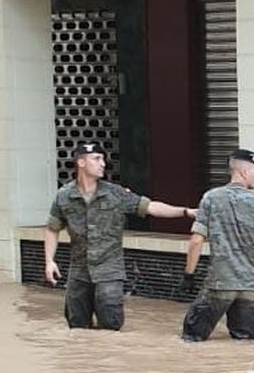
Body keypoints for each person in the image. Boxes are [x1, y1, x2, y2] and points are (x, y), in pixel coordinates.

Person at [44, 141, 196, 330]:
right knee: (77, 327)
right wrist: (49, 261)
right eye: (96, 159)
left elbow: (150, 207)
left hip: (109, 270)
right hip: (78, 272)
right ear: (81, 162)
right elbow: (52, 228)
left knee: (111, 325)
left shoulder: (115, 193)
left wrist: (185, 212)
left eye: (103, 159)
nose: (103, 164)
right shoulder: (64, 196)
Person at [179, 148, 254, 341]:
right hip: (250, 288)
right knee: (245, 342)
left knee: (192, 336)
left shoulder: (211, 198)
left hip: (220, 284)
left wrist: (189, 275)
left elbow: (196, 241)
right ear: (244, 172)